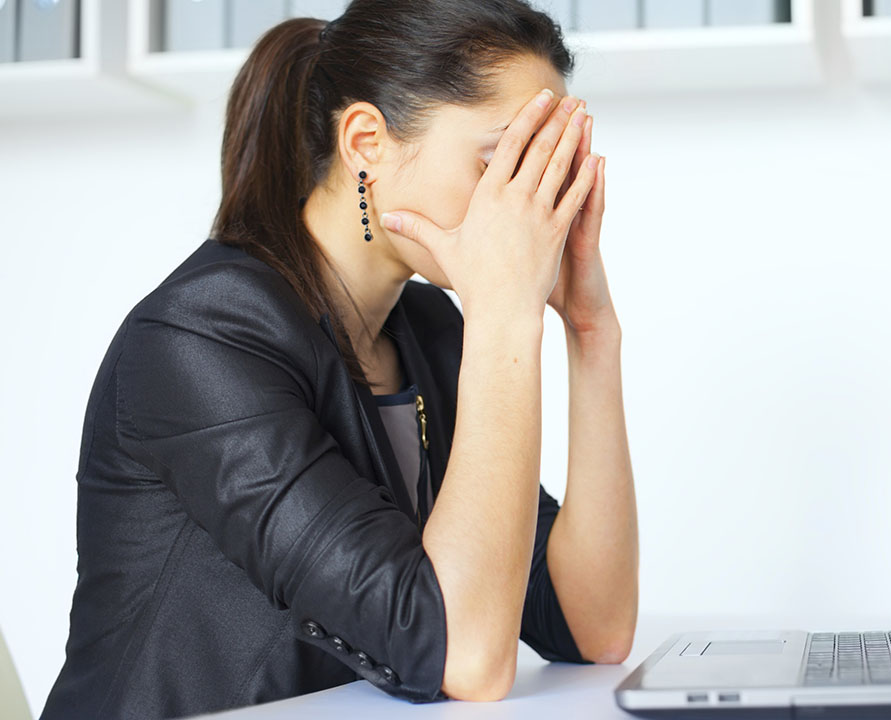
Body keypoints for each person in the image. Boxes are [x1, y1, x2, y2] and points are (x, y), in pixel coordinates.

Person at [40, 1, 637, 717]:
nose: (533, 203)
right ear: (365, 141)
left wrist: (591, 331)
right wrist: (506, 318)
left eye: (547, 169)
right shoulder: (200, 338)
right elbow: (465, 657)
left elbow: (591, 625)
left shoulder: (430, 330)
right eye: (501, 163)